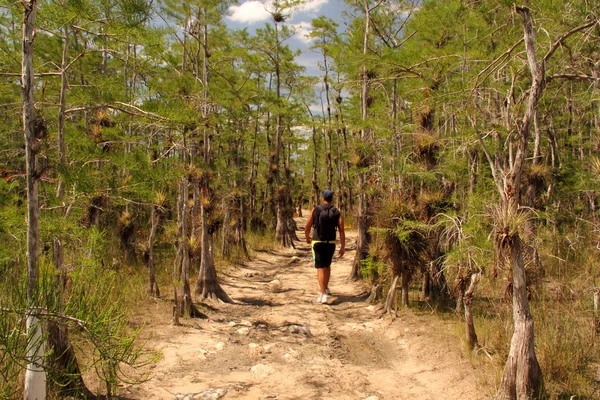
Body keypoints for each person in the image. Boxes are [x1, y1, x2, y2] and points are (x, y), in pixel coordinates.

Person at [304, 190, 345, 304]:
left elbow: (307, 226)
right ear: (332, 199)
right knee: (327, 265)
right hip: (331, 242)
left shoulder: (315, 209)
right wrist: (343, 246)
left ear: (323, 198)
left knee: (320, 267)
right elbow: (341, 230)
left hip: (317, 241)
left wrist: (307, 237)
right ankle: (325, 288)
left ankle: (323, 294)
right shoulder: (336, 212)